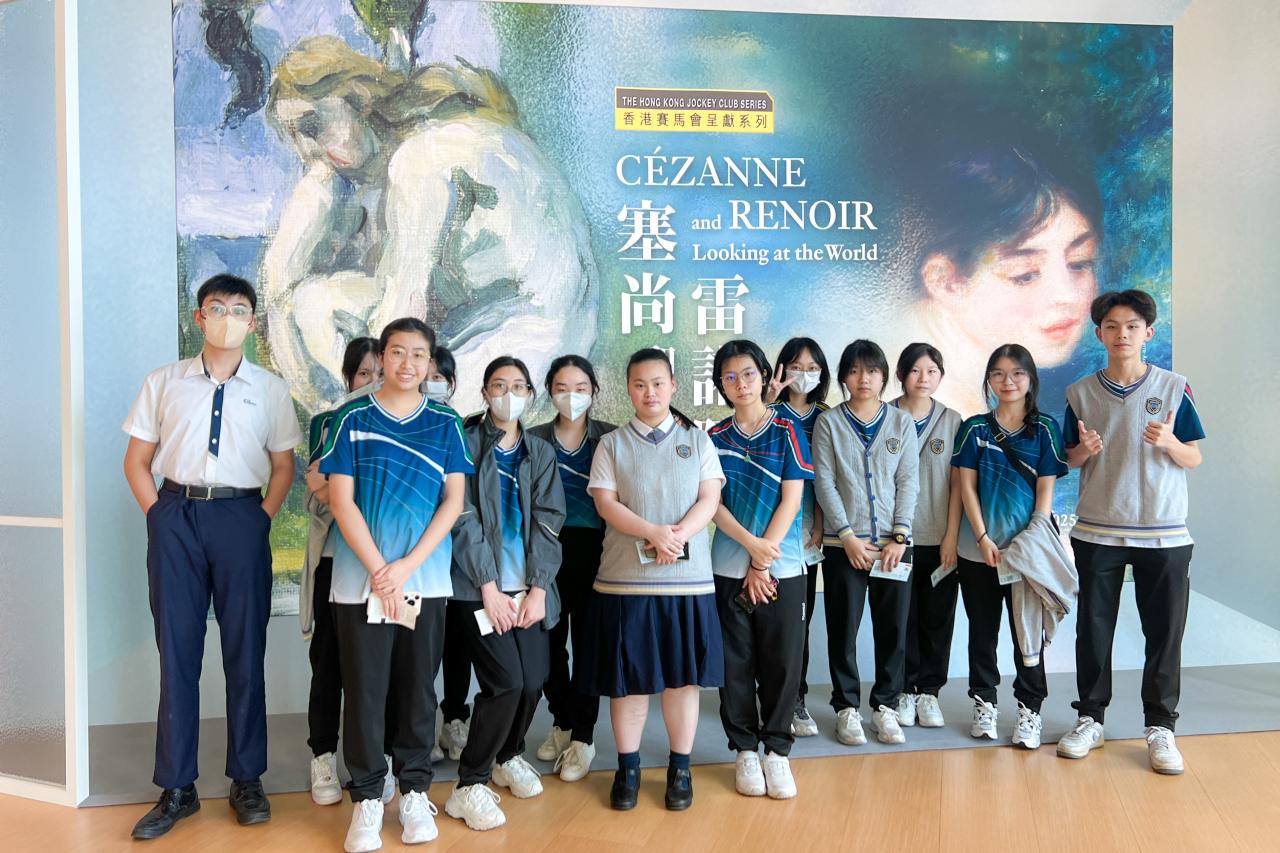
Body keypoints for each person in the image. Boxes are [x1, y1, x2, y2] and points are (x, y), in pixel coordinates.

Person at [261, 36, 598, 417]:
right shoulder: (422, 145)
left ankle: (358, 422)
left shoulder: (422, 158)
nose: (306, 151)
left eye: (312, 125)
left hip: (523, 343)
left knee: (327, 313)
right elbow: (280, 290)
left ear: (357, 98)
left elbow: (406, 311)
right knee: (315, 300)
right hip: (518, 329)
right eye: (292, 137)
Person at [122, 274, 302, 840]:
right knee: (177, 652)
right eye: (216, 307)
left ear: (252, 322)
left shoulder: (270, 389)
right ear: (199, 317)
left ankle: (247, 778)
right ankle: (178, 787)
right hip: (175, 515)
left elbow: (283, 466)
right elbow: (136, 460)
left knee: (245, 650)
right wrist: (158, 516)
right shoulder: (163, 381)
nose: (227, 317)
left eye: (239, 309)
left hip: (241, 516)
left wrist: (260, 518)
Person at [317, 317, 473, 852]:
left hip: (423, 581)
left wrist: (405, 567)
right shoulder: (351, 417)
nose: (408, 363)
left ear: (430, 363)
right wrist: (380, 568)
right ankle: (366, 798)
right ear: (381, 356)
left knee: (417, 690)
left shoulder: (446, 422)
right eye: (398, 352)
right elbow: (341, 501)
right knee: (363, 690)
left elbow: (453, 501)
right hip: (357, 583)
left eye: (418, 354)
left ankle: (414, 792)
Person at [1056, 289, 1204, 774]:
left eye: (1132, 326)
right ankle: (1090, 719)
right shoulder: (1080, 393)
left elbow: (1194, 457)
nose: (1123, 334)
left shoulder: (1175, 387)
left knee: (1164, 633)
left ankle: (1160, 727)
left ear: (1148, 333)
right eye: (1113, 326)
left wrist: (1171, 442)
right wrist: (1083, 451)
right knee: (1093, 630)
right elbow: (1067, 459)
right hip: (1098, 530)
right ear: (1099, 334)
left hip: (1164, 533)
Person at [578, 348, 725, 812]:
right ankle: (628, 768)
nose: (650, 392)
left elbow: (710, 499)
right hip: (625, 584)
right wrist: (653, 533)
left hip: (688, 584)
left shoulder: (697, 441)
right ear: (628, 390)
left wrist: (676, 536)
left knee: (683, 682)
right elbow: (605, 504)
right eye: (640, 385)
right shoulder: (612, 444)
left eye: (658, 383)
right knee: (630, 682)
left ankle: (680, 768)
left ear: (673, 386)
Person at [878, 138, 1102, 417]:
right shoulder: (926, 408)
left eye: (1080, 262)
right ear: (946, 282)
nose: (1066, 295)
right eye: (1025, 275)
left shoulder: (966, 395)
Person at [444, 357, 565, 831]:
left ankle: (507, 755)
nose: (507, 394)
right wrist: (488, 588)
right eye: (498, 385)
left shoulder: (540, 452)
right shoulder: (466, 445)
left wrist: (539, 589)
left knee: (533, 680)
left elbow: (550, 521)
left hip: (528, 589)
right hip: (478, 590)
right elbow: (462, 518)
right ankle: (469, 783)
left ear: (530, 394)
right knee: (506, 682)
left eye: (517, 386)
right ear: (484, 392)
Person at [709, 340, 814, 800]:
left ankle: (777, 750)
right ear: (720, 384)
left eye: (748, 374)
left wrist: (761, 558)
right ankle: (745, 750)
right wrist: (751, 550)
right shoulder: (714, 437)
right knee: (734, 662)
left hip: (783, 568)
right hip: (729, 567)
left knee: (782, 661)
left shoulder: (788, 429)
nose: (741, 383)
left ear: (764, 375)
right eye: (730, 377)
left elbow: (792, 499)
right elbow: (712, 504)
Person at [952, 343, 1068, 750]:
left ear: (1030, 379)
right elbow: (965, 486)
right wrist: (982, 537)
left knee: (1027, 635)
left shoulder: (1046, 429)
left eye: (1017, 373)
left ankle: (1029, 711)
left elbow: (1045, 491)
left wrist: (1029, 540)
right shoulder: (975, 429)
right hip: (978, 552)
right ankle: (984, 705)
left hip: (1027, 554)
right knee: (982, 633)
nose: (1008, 381)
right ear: (989, 380)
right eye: (999, 374)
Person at [300, 337, 400, 807]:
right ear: (348, 378)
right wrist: (343, 487)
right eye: (364, 374)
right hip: (335, 560)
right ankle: (322, 756)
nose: (374, 382)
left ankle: (382, 759)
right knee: (329, 663)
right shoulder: (330, 422)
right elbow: (317, 489)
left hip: (387, 567)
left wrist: (344, 484)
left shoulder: (407, 423)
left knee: (384, 667)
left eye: (381, 372)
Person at [812, 340, 920, 747]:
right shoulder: (829, 423)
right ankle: (846, 707)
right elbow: (824, 481)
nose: (863, 379)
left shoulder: (901, 423)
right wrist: (846, 536)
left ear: (884, 376)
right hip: (845, 548)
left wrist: (899, 536)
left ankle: (886, 706)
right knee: (843, 630)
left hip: (895, 547)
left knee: (893, 630)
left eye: (872, 371)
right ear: (843, 377)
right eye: (855, 371)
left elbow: (908, 479)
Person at [527, 355, 617, 782]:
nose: (571, 396)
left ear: (594, 391)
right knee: (547, 646)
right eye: (562, 388)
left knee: (588, 646)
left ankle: (583, 736)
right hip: (546, 552)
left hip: (597, 551)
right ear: (550, 392)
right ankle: (561, 720)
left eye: (580, 388)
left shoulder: (610, 439)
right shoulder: (533, 440)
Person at [889, 343, 963, 729]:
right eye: (915, 370)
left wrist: (951, 536)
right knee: (900, 618)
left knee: (937, 617)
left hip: (938, 538)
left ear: (940, 376)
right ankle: (903, 690)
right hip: (894, 541)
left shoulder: (952, 421)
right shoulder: (884, 416)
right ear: (901, 374)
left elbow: (958, 485)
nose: (923, 378)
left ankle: (929, 692)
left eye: (931, 371)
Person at [765, 336, 831, 737]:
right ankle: (766, 695)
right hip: (767, 531)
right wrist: (768, 399)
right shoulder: (769, 412)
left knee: (797, 624)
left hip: (805, 536)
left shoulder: (827, 416)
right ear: (781, 369)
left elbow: (826, 479)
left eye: (812, 368)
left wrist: (820, 525)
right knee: (764, 621)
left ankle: (796, 698)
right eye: (796, 367)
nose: (803, 375)